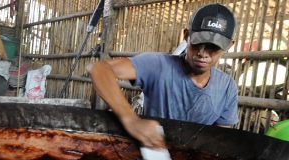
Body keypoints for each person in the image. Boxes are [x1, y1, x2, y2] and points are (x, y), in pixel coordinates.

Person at [88, 3, 238, 149]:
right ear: (186, 36)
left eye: (214, 47)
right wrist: (130, 119)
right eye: (198, 43)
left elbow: (221, 139)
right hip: (154, 153)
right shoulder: (158, 66)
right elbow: (100, 68)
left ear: (229, 46)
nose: (203, 53)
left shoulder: (226, 87)